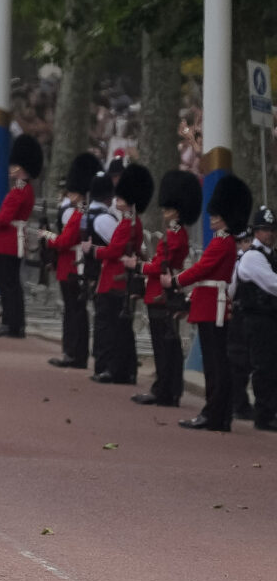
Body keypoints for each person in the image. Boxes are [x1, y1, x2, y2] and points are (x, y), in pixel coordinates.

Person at [173, 176, 251, 431]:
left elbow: (202, 268)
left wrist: (175, 280)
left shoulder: (222, 242)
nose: (211, 218)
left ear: (224, 216)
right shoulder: (223, 240)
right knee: (216, 363)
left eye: (215, 214)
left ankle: (214, 413)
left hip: (214, 306)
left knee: (215, 364)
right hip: (209, 302)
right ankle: (217, 413)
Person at [137, 170, 202, 407]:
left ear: (175, 211)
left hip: (161, 292)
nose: (163, 214)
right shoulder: (175, 233)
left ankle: (165, 389)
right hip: (163, 289)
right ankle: (167, 388)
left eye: (166, 210)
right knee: (168, 342)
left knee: (164, 343)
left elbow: (160, 264)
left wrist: (140, 266)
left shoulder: (175, 235)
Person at [87, 163, 151, 385]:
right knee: (120, 327)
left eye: (121, 198)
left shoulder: (128, 224)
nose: (117, 200)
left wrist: (94, 251)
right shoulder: (130, 223)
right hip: (117, 277)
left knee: (113, 327)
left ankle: (116, 369)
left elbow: (114, 251)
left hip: (115, 279)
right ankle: (125, 369)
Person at [49, 151, 102, 370]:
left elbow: (64, 241)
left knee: (75, 311)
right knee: (72, 310)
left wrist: (48, 239)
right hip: (69, 264)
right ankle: (71, 351)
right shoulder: (80, 210)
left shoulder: (79, 213)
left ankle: (75, 353)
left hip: (73, 265)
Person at [0, 134, 42, 337]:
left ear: (20, 167)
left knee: (8, 285)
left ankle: (10, 323)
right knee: (12, 285)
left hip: (7, 241)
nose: (10, 169)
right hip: (13, 240)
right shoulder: (24, 188)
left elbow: (4, 218)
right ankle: (14, 324)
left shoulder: (19, 190)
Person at [235, 201, 277, 430]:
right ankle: (264, 414)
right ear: (256, 231)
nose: (269, 234)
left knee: (272, 366)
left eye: (272, 229)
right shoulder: (253, 257)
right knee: (263, 367)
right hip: (257, 319)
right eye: (264, 229)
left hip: (270, 318)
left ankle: (270, 410)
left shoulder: (271, 255)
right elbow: (272, 285)